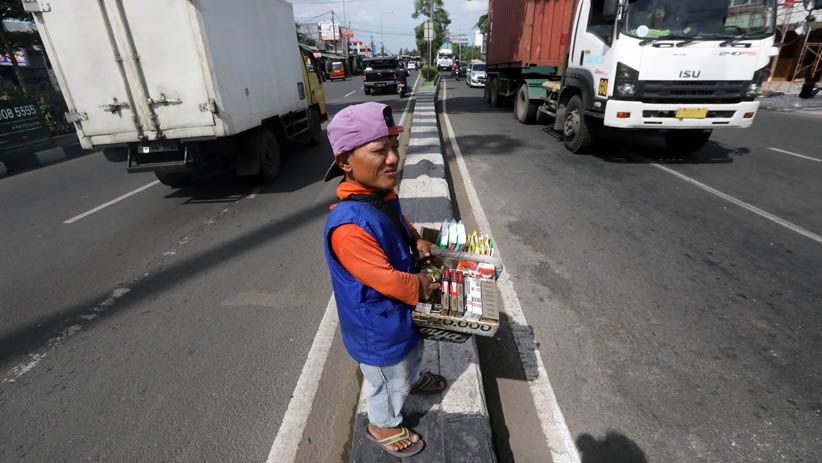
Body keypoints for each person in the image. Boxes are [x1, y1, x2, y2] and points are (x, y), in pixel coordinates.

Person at [322, 102, 447, 458]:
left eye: (393, 147)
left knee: (411, 352)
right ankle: (384, 423)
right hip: (377, 327)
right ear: (346, 162)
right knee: (386, 378)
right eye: (379, 150)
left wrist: (416, 240)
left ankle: (411, 378)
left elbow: (398, 220)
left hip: (398, 316)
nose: (392, 158)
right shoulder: (348, 227)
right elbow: (386, 281)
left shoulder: (379, 196)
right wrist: (423, 284)